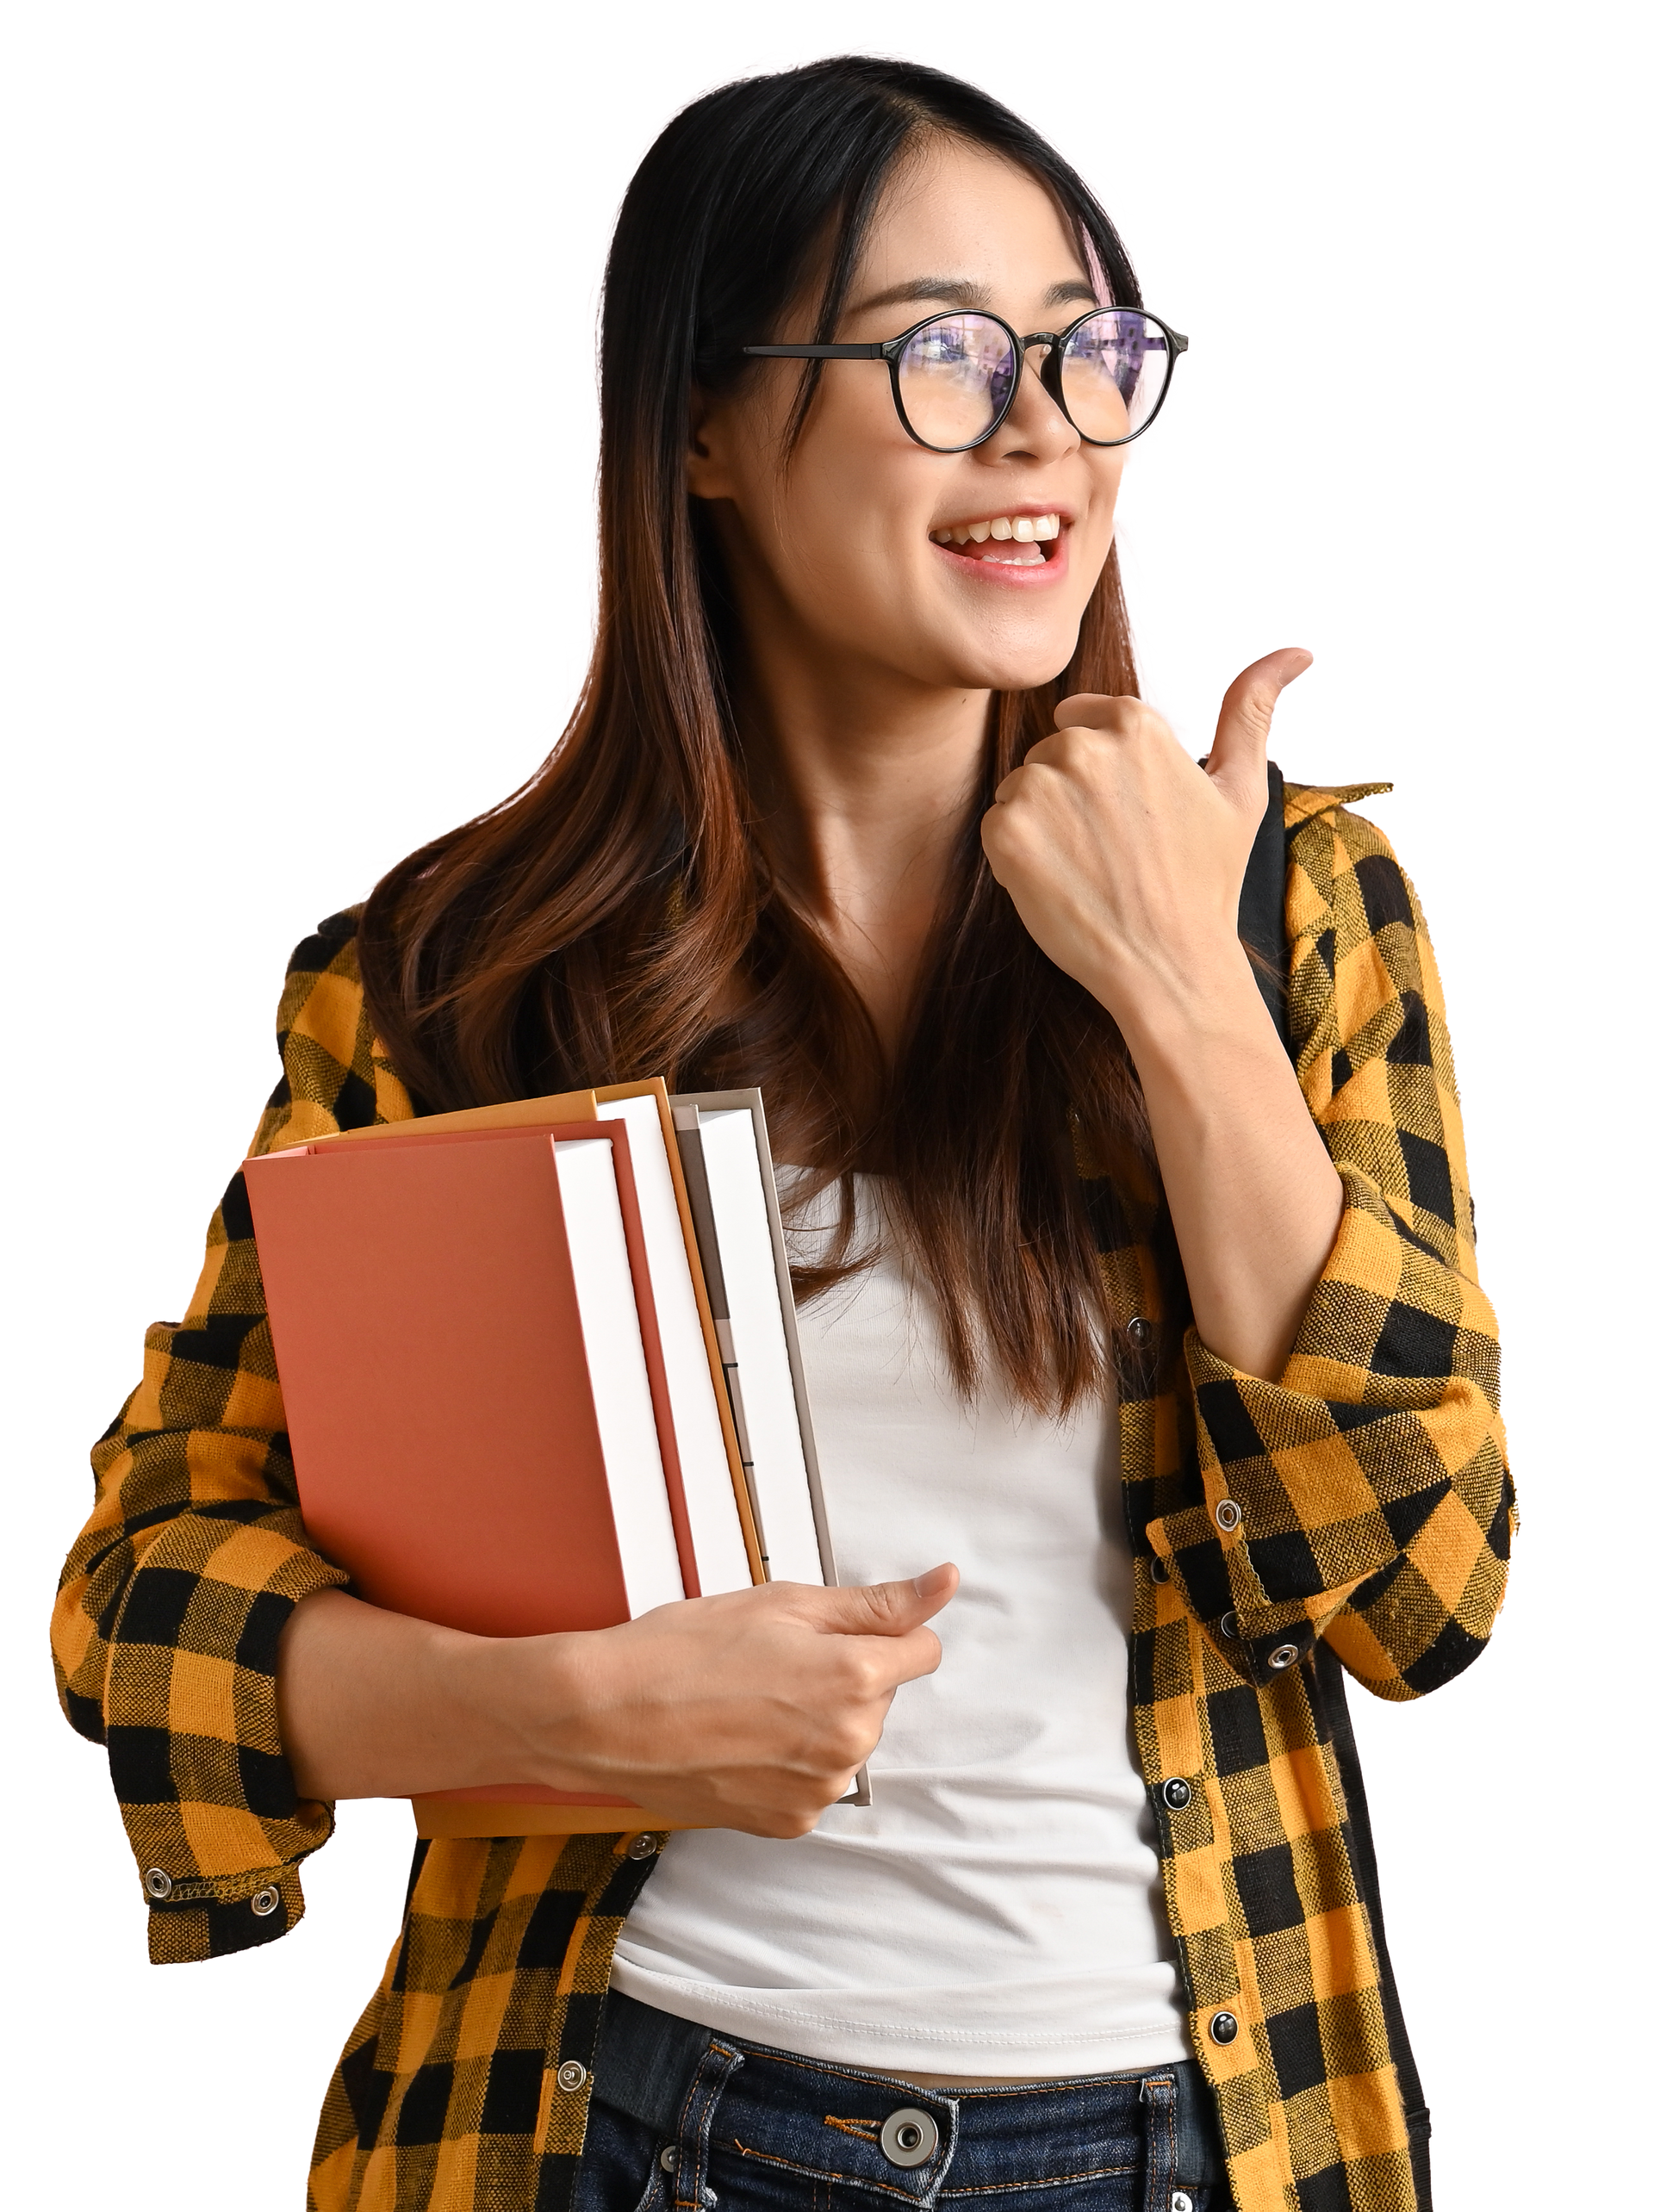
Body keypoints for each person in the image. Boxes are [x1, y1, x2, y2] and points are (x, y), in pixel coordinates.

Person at [50, 44, 1514, 2212]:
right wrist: (562, 1715)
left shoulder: (1291, 914)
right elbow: (142, 1598)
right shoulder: (451, 982)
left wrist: (1187, 998)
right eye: (937, 349)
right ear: (709, 429)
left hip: (1187, 2142)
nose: (1041, 432)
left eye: (1087, 354)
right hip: (602, 2120)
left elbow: (1422, 1586)